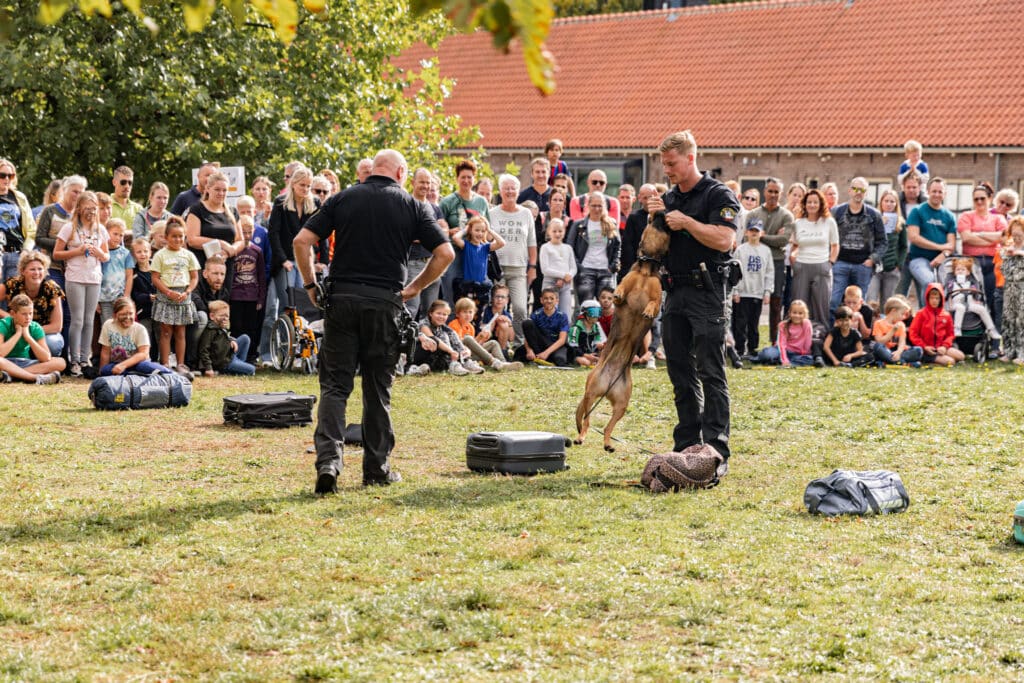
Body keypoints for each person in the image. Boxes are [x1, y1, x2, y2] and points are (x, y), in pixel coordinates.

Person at [293, 148, 453, 492]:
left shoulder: (343, 198)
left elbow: (302, 240)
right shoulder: (413, 205)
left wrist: (310, 285)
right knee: (377, 388)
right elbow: (445, 253)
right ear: (400, 174)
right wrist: (414, 288)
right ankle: (376, 468)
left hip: (342, 300)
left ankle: (329, 464)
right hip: (386, 303)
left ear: (373, 170)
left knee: (335, 386)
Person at [646, 131, 737, 473]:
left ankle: (715, 450)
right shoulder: (671, 198)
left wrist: (685, 223)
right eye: (664, 164)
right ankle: (686, 445)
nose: (666, 170)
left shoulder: (717, 195)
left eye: (671, 164)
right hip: (675, 292)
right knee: (680, 372)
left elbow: (725, 240)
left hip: (707, 291)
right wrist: (655, 217)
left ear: (690, 159)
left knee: (711, 372)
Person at [260, 167, 317, 364]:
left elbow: (319, 233)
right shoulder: (281, 203)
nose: (306, 189)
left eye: (309, 186)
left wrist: (320, 259)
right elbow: (273, 233)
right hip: (285, 261)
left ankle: (302, 352)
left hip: (305, 260)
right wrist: (283, 259)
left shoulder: (314, 203)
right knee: (287, 306)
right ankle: (275, 352)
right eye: (302, 185)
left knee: (304, 305)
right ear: (293, 184)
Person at [53, 191, 109, 376]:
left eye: (94, 209)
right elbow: (57, 254)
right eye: (87, 208)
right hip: (75, 277)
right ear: (79, 209)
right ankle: (74, 359)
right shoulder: (69, 228)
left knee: (89, 320)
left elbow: (106, 255)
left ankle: (86, 359)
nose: (91, 212)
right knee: (77, 320)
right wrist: (78, 250)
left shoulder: (100, 229)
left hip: (94, 277)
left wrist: (98, 254)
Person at [744, 177, 794, 344]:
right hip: (756, 263)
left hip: (777, 262)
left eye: (776, 192)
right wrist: (771, 237)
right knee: (751, 303)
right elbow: (749, 239)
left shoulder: (787, 215)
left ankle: (775, 342)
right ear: (764, 192)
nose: (773, 195)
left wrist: (762, 236)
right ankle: (748, 343)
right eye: (770, 191)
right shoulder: (753, 214)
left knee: (776, 303)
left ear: (781, 194)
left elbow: (784, 240)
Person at [829, 177, 886, 321]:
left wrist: (872, 260)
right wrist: (831, 259)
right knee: (834, 301)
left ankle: (858, 336)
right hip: (840, 263)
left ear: (866, 193)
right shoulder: (837, 212)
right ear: (849, 191)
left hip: (863, 265)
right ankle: (831, 334)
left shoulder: (874, 215)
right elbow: (827, 237)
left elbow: (883, 242)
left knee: (859, 305)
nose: (858, 193)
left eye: (862, 190)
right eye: (855, 189)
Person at [150, 217, 200, 378]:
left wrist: (187, 291)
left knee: (180, 332)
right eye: (174, 236)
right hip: (166, 295)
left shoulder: (189, 255)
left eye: (181, 236)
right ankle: (165, 364)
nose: (178, 239)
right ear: (166, 237)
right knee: (165, 332)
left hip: (183, 296)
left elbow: (194, 277)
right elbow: (155, 278)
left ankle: (180, 364)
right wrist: (167, 292)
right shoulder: (160, 255)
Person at [489, 174, 537, 337]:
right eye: (506, 188)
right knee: (497, 306)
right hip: (497, 268)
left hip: (519, 269)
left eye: (513, 188)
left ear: (518, 191)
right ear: (500, 191)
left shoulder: (526, 214)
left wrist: (532, 267)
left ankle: (518, 343)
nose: (510, 191)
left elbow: (532, 242)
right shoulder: (492, 213)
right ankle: (500, 342)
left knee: (520, 308)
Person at [439, 159, 490, 307]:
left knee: (476, 294)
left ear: (474, 179)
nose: (466, 180)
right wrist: (449, 231)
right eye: (463, 177)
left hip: (475, 254)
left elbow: (487, 228)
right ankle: (450, 324)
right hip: (454, 252)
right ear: (457, 179)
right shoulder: (447, 202)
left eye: (469, 177)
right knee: (451, 290)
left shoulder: (481, 202)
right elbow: (436, 229)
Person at [0, 250, 65, 357]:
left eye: (40, 269)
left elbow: (57, 326)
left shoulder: (52, 289)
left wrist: (30, 331)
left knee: (53, 343)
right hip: (14, 329)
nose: (37, 273)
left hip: (41, 332)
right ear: (23, 271)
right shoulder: (12, 284)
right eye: (32, 269)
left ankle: (33, 364)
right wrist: (8, 316)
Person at [789, 188, 838, 326]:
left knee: (821, 308)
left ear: (821, 204)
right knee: (799, 306)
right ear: (804, 204)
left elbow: (835, 245)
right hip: (802, 266)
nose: (812, 205)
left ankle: (821, 340)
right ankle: (797, 341)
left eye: (815, 202)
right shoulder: (798, 223)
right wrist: (793, 260)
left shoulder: (828, 222)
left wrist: (830, 264)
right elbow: (795, 246)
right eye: (809, 202)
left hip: (822, 266)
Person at [958, 182, 1006, 319]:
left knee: (993, 299)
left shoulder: (998, 218)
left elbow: (1004, 238)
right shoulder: (966, 216)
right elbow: (966, 238)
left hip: (993, 263)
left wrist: (978, 234)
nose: (979, 201)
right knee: (974, 299)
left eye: (982, 198)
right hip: (972, 262)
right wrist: (992, 238)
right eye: (976, 199)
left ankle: (993, 336)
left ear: (989, 199)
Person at [906, 177, 957, 306]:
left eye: (940, 192)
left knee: (951, 285)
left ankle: (942, 318)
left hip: (943, 260)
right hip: (919, 259)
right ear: (928, 191)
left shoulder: (949, 216)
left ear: (944, 194)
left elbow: (951, 244)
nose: (937, 194)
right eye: (934, 191)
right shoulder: (917, 211)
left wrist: (943, 254)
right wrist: (939, 247)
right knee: (930, 281)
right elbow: (914, 237)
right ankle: (926, 315)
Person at [404, 168, 444, 320]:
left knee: (431, 311)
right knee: (411, 307)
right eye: (422, 182)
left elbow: (443, 231)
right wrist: (431, 233)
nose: (425, 186)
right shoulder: (406, 205)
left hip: (433, 263)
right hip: (413, 263)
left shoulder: (434, 207)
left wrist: (425, 234)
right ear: (413, 182)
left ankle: (426, 342)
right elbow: (407, 233)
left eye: (428, 183)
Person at [568, 191, 621, 305]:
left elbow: (618, 246)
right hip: (585, 270)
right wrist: (579, 267)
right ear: (588, 205)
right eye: (594, 205)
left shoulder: (611, 224)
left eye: (600, 206)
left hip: (606, 271)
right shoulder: (578, 225)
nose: (597, 209)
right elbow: (570, 248)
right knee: (586, 307)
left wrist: (612, 267)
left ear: (604, 206)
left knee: (606, 308)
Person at [98, 297, 172, 376]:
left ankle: (170, 374)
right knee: (105, 370)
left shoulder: (140, 329)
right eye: (123, 314)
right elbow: (105, 351)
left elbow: (143, 353)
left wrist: (124, 365)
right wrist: (101, 374)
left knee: (144, 366)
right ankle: (134, 375)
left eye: (130, 313)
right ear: (115, 315)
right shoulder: (108, 325)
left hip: (138, 363)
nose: (128, 317)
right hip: (117, 364)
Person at [731, 219, 773, 358]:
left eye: (757, 231)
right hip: (743, 293)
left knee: (754, 324)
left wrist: (767, 292)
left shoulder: (765, 251)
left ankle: (753, 349)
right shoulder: (741, 250)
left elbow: (769, 272)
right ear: (746, 232)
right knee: (740, 323)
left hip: (758, 293)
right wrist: (735, 290)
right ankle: (739, 349)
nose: (754, 233)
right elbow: (735, 272)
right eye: (752, 230)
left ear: (761, 233)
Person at [0, 294, 64, 383]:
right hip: (5, 362)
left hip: (26, 363)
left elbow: (46, 358)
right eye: (24, 314)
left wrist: (28, 337)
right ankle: (34, 378)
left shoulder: (35, 327)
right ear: (13, 314)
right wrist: (18, 334)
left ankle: (12, 375)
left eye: (30, 313)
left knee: (60, 362)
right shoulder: (3, 324)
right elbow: (1, 353)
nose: (28, 318)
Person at [407, 299, 481, 376]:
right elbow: (434, 339)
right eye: (438, 313)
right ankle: (453, 364)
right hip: (417, 355)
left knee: (450, 336)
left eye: (444, 314)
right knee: (442, 337)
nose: (441, 317)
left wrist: (465, 350)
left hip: (433, 358)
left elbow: (455, 339)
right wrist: (451, 351)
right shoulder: (424, 324)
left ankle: (465, 362)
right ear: (431, 313)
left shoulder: (444, 327)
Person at [446, 297, 521, 372]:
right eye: (465, 312)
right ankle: (494, 362)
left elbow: (474, 346)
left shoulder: (470, 327)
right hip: (460, 356)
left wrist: (481, 339)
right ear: (458, 314)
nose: (468, 315)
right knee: (467, 338)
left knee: (493, 343)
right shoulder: (454, 324)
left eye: (470, 312)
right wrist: (478, 337)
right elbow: (459, 344)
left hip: (469, 354)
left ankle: (503, 363)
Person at [229, 215, 267, 364]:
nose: (246, 235)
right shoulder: (234, 251)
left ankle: (251, 356)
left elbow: (261, 276)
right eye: (243, 232)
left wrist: (261, 298)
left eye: (249, 232)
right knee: (236, 327)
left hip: (252, 296)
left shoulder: (257, 251)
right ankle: (236, 356)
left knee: (251, 328)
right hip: (236, 296)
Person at [451, 214, 504, 314]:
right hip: (467, 286)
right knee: (465, 312)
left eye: (482, 231)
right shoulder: (466, 245)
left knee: (478, 314)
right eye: (477, 230)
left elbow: (502, 243)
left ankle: (475, 329)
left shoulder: (485, 247)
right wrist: (465, 229)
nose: (480, 233)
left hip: (481, 287)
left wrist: (489, 230)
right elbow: (455, 238)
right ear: (471, 230)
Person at [908, 283, 964, 366]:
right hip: (926, 349)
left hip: (941, 347)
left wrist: (944, 346)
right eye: (932, 298)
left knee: (961, 356)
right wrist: (924, 346)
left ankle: (941, 356)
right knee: (950, 362)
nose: (934, 301)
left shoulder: (946, 315)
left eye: (937, 298)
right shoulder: (921, 314)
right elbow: (913, 333)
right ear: (927, 298)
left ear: (941, 299)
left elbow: (950, 334)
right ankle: (927, 358)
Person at [868, 189, 907, 306]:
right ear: (881, 203)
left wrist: (898, 265)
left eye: (892, 201)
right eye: (886, 201)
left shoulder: (900, 223)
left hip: (891, 268)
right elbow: (868, 241)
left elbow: (903, 246)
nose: (889, 204)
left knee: (888, 303)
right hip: (875, 268)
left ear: (896, 204)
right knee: (871, 300)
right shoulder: (873, 220)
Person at [944, 257, 1000, 339]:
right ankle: (957, 328)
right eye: (958, 269)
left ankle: (991, 329)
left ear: (968, 272)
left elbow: (976, 294)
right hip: (956, 304)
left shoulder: (971, 283)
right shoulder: (952, 282)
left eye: (963, 269)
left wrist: (976, 298)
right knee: (961, 307)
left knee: (982, 309)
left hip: (970, 303)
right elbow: (948, 292)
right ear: (954, 272)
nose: (960, 271)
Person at [197, 300, 255, 376]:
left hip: (229, 354)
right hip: (223, 362)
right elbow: (203, 350)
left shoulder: (222, 326)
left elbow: (225, 337)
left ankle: (239, 364)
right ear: (212, 316)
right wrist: (209, 368)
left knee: (245, 338)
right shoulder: (210, 330)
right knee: (252, 369)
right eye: (221, 315)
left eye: (227, 316)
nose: (225, 318)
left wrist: (231, 340)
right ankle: (228, 370)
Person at [0, 158, 36, 282]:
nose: (7, 179)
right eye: (2, 175)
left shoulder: (19, 197)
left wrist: (26, 250)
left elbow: (31, 229)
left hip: (16, 254)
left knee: (14, 298)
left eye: (10, 175)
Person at [515, 287, 569, 366]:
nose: (549, 301)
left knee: (560, 360)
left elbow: (562, 340)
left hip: (554, 345)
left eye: (552, 298)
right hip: (539, 344)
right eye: (546, 298)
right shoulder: (536, 314)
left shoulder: (562, 316)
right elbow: (528, 335)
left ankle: (542, 357)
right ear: (541, 300)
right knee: (527, 323)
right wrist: (529, 350)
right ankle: (537, 355)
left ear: (557, 301)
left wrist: (546, 353)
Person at [756, 299, 817, 367]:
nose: (797, 316)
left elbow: (807, 343)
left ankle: (779, 361)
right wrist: (785, 360)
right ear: (790, 313)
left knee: (810, 360)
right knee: (766, 354)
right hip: (781, 351)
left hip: (798, 354)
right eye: (794, 312)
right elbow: (781, 345)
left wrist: (803, 355)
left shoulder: (807, 324)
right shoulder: (783, 325)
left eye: (800, 313)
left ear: (805, 314)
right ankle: (782, 360)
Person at [98, 218, 135, 324]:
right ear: (106, 233)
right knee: (107, 325)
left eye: (121, 235)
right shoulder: (100, 253)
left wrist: (126, 296)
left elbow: (129, 276)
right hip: (104, 298)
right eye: (115, 234)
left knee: (122, 324)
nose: (118, 238)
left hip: (120, 297)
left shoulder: (125, 253)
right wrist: (96, 301)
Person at [999, 218, 1024, 363]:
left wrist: (1020, 254)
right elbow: (1004, 271)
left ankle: (1022, 354)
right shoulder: (1007, 249)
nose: (1016, 238)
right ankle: (1009, 351)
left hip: (1023, 288)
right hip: (1010, 288)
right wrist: (1008, 255)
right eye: (1014, 235)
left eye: (1019, 235)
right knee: (1008, 319)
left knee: (1022, 320)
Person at [871, 296, 923, 367]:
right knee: (877, 347)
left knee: (918, 350)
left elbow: (902, 342)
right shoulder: (878, 323)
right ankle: (904, 363)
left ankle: (890, 362)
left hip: (898, 352)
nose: (903, 317)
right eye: (901, 314)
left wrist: (898, 352)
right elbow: (880, 341)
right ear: (893, 311)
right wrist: (892, 331)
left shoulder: (901, 324)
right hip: (885, 351)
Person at [539, 218, 576, 319]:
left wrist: (568, 276)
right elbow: (545, 269)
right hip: (550, 284)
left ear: (564, 231)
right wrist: (563, 275)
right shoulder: (545, 247)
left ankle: (564, 334)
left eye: (560, 231)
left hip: (565, 285)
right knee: (550, 314)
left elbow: (573, 267)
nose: (557, 234)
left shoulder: (568, 248)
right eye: (554, 231)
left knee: (565, 315)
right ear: (548, 232)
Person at [129, 237, 159, 360]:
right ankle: (146, 359)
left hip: (159, 310)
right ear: (134, 254)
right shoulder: (134, 272)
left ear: (150, 252)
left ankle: (161, 359)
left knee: (160, 334)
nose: (143, 254)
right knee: (146, 334)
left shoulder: (157, 268)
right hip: (143, 311)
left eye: (145, 251)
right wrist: (147, 297)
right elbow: (134, 293)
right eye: (139, 252)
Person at [568, 298, 606, 367]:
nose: (596, 316)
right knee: (586, 362)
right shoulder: (576, 329)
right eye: (593, 313)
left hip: (590, 354)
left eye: (598, 312)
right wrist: (587, 356)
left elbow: (596, 345)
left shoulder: (596, 328)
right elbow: (573, 348)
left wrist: (600, 348)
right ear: (584, 314)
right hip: (577, 355)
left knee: (604, 354)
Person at [109, 166, 143, 233]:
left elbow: (142, 233)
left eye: (130, 183)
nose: (127, 186)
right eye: (123, 182)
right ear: (114, 182)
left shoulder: (138, 209)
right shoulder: (104, 205)